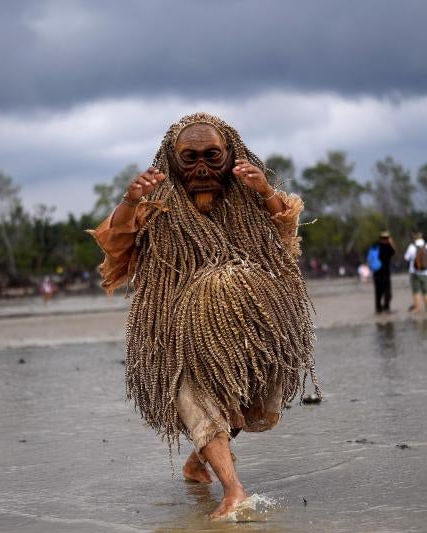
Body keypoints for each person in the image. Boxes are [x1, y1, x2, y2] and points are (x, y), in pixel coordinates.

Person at [89, 113, 319, 519]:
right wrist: (129, 201)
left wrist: (264, 189)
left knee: (245, 407)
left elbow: (286, 229)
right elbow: (116, 241)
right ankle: (234, 491)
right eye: (189, 157)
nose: (200, 169)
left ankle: (199, 462)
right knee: (196, 400)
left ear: (232, 155)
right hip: (177, 330)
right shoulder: (154, 207)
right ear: (171, 160)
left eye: (212, 157)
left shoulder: (249, 195)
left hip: (247, 324)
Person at [403, 232, 427, 313]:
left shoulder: (411, 246)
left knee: (416, 291)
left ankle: (417, 309)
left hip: (414, 272)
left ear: (414, 238)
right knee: (426, 291)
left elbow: (406, 258)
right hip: (425, 272)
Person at [370, 230, 396, 313]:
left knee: (378, 293)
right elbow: (394, 252)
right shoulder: (388, 246)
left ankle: (378, 308)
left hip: (376, 273)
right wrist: (391, 243)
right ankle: (386, 308)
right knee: (387, 293)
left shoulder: (374, 246)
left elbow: (370, 259)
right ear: (388, 238)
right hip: (385, 273)